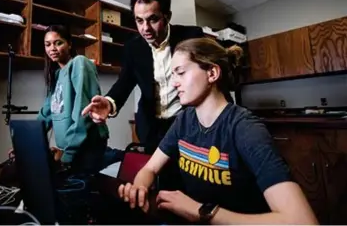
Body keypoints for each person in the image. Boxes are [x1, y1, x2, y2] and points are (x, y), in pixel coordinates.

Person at [117, 38, 318, 224]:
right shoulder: (184, 121)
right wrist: (140, 187)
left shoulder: (245, 128)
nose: (173, 82)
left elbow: (301, 221)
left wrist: (203, 211)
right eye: (172, 75)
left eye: (180, 72)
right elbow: (150, 169)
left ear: (212, 73)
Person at [82, 0, 205, 155]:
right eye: (139, 21)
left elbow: (209, 78)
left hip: (187, 122)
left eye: (153, 19)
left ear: (167, 16)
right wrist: (109, 103)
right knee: (156, 176)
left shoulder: (191, 36)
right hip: (151, 128)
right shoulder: (133, 48)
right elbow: (124, 82)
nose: (145, 28)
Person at [36, 24, 109, 176]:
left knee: (80, 194)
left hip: (86, 148)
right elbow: (46, 114)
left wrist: (67, 154)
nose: (52, 49)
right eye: (47, 44)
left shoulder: (79, 63)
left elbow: (83, 112)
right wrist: (26, 145)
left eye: (58, 43)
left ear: (69, 44)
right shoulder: (56, 76)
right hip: (69, 150)